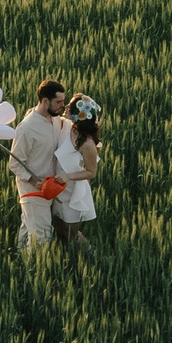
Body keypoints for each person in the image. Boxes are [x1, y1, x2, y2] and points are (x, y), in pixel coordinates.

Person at [8, 79, 71, 251]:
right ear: (45, 101)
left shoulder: (57, 120)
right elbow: (14, 163)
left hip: (51, 187)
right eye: (58, 102)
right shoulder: (27, 128)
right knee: (41, 235)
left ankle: (20, 267)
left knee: (29, 229)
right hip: (33, 188)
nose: (62, 106)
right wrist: (34, 180)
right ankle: (34, 274)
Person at [55, 94, 102, 250]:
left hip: (73, 190)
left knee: (71, 233)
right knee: (58, 228)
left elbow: (91, 172)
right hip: (56, 186)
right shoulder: (65, 125)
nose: (65, 109)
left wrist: (68, 176)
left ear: (78, 115)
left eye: (69, 107)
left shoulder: (88, 143)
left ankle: (92, 257)